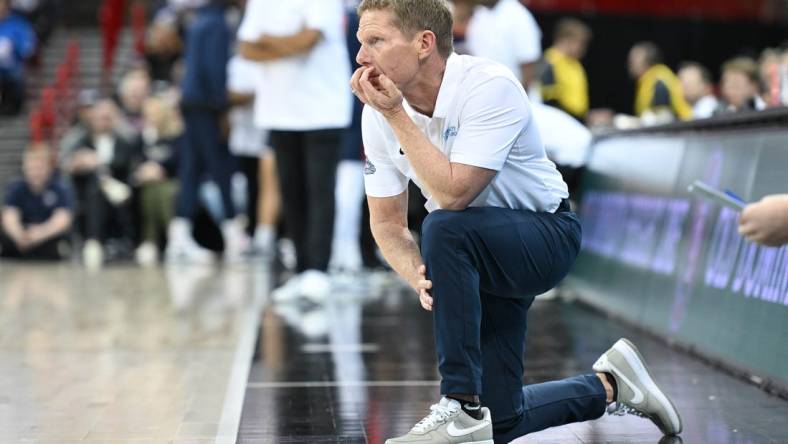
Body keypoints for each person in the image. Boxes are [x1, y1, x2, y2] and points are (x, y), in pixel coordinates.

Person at [351, 1, 682, 443]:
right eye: (360, 43)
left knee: (444, 226)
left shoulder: (488, 85)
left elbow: (453, 193)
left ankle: (459, 406)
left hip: (545, 235)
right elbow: (387, 224)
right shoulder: (376, 113)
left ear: (424, 43)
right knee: (502, 420)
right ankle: (614, 386)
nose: (361, 58)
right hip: (474, 250)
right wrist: (420, 277)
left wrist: (395, 116)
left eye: (375, 41)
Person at [237, 0, 352, 299]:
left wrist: (268, 42)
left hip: (323, 109)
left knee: (320, 191)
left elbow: (309, 41)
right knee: (291, 192)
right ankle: (302, 270)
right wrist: (288, 43)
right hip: (278, 110)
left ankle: (318, 270)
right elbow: (246, 48)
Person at [168, 0, 248, 264]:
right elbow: (213, 68)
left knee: (191, 168)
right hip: (206, 103)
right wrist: (222, 106)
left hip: (191, 100)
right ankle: (231, 231)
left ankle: (179, 233)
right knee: (219, 166)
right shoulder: (217, 23)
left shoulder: (198, 20)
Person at [60, 98, 140, 268]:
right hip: (88, 192)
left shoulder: (125, 142)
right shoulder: (81, 141)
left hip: (121, 192)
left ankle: (101, 240)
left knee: (104, 184)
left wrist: (101, 163)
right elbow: (66, 165)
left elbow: (130, 166)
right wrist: (78, 164)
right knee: (97, 184)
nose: (104, 121)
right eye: (100, 117)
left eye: (108, 117)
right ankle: (94, 241)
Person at [132, 96, 182, 266]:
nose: (151, 118)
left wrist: (162, 170)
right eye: (147, 115)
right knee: (151, 190)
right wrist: (145, 172)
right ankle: (153, 241)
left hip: (172, 182)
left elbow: (179, 162)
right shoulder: (143, 138)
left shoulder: (176, 137)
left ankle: (169, 238)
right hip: (149, 184)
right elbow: (136, 162)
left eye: (155, 114)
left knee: (163, 190)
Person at [1, 146, 72, 260]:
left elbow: (62, 219)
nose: (36, 173)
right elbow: (9, 215)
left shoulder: (59, 188)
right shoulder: (17, 188)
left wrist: (40, 234)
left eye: (40, 168)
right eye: (32, 168)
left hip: (47, 236)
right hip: (22, 235)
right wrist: (19, 235)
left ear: (49, 169)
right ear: (25, 168)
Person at [459, 0, 541, 93]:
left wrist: (516, 99)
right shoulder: (479, 14)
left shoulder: (518, 15)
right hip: (485, 94)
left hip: (516, 97)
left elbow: (528, 68)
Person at [541, 18, 591, 120]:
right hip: (559, 121)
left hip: (577, 121)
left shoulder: (576, 65)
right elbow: (549, 101)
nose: (583, 48)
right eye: (580, 43)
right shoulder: (549, 62)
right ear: (564, 39)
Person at [628, 41, 691, 122]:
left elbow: (663, 117)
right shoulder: (647, 80)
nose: (630, 62)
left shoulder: (659, 80)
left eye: (634, 58)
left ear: (646, 61)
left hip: (684, 126)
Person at [0, 0, 35, 115]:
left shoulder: (18, 23)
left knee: (15, 76)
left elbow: (28, 48)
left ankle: (12, 107)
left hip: (11, 68)